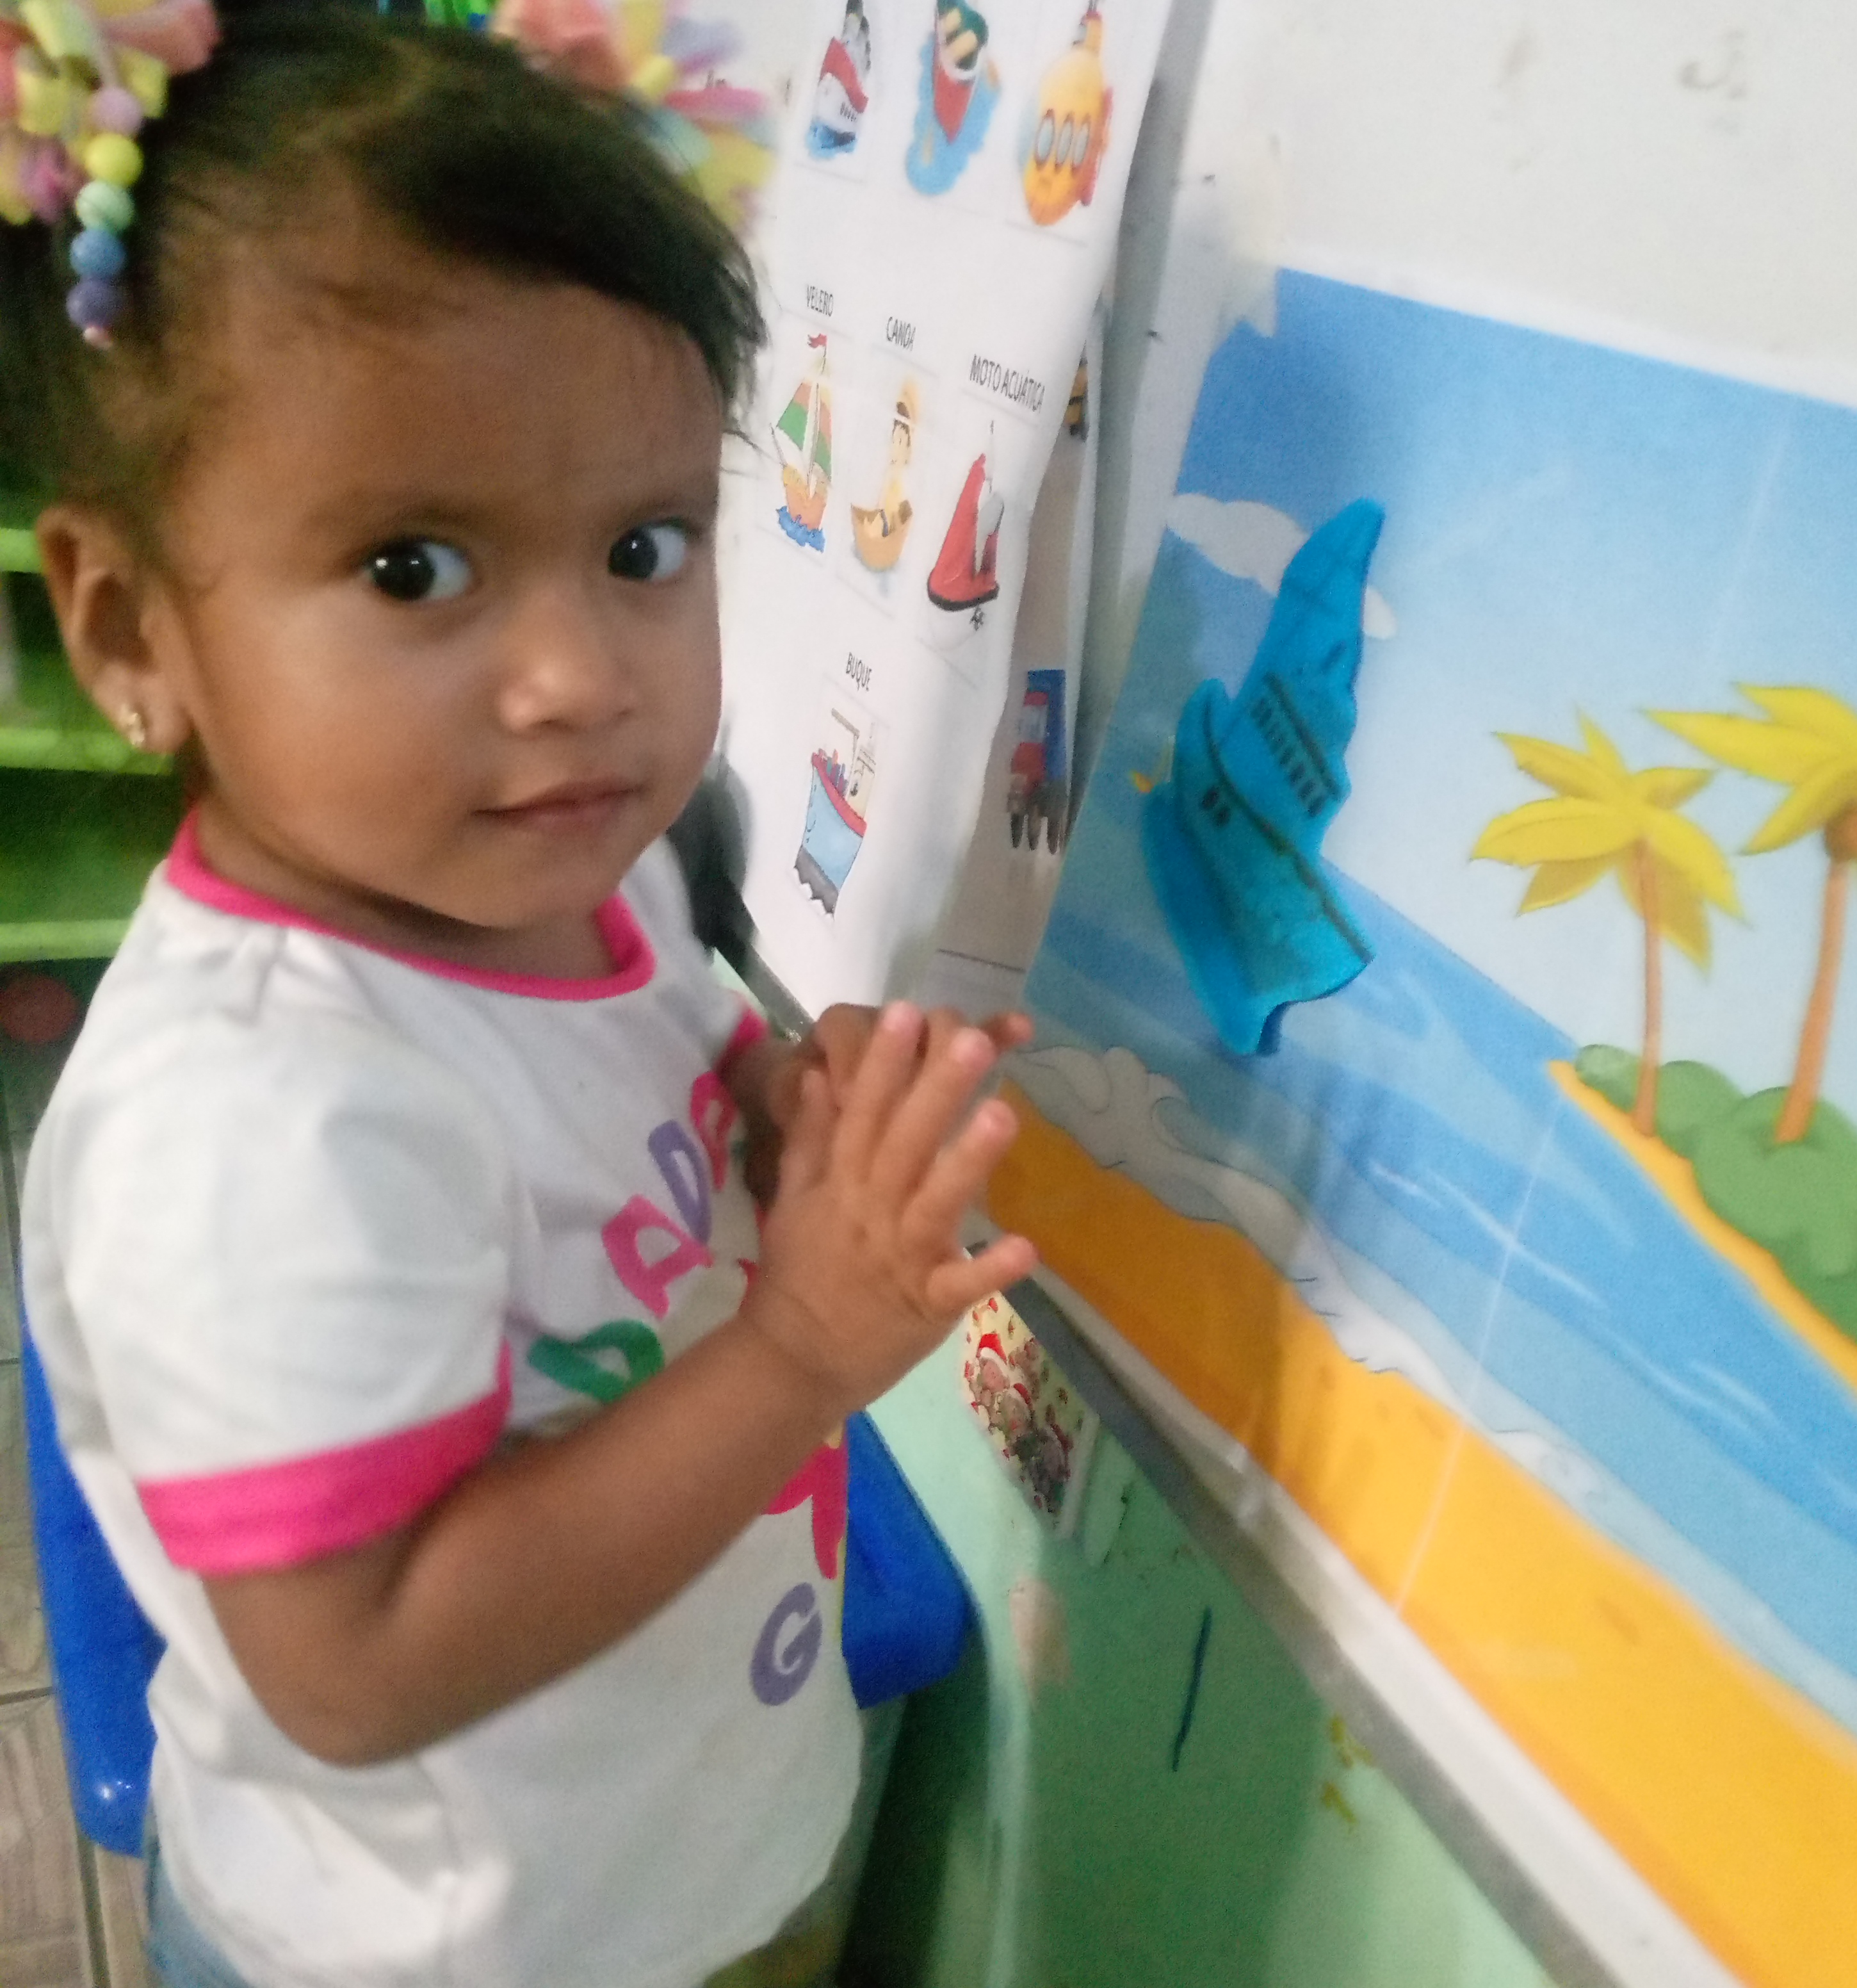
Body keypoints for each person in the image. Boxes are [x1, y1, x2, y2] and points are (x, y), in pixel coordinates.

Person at [3, 10, 1036, 1985]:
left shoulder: (569, 867)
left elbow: (655, 1062)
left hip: (683, 1847)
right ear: (131, 628)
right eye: (414, 569)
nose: (580, 679)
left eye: (646, 546)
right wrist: (803, 1349)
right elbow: (360, 1668)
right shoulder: (253, 1123)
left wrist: (790, 1111)